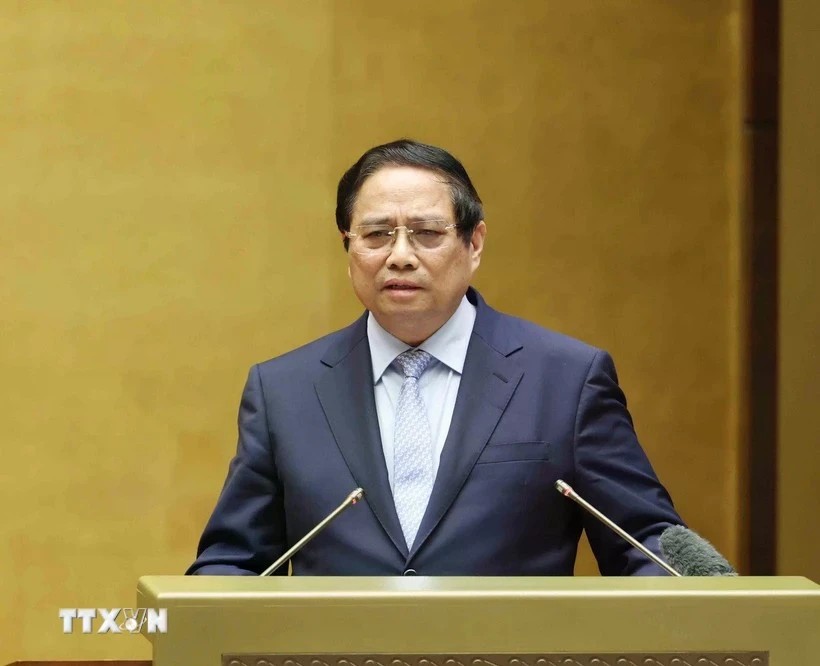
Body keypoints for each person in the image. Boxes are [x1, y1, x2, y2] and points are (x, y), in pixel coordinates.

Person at [187, 139, 682, 577]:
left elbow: (647, 546)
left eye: (427, 233)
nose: (400, 255)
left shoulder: (568, 380)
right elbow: (235, 560)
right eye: (377, 235)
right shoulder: (284, 391)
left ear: (474, 244)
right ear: (348, 247)